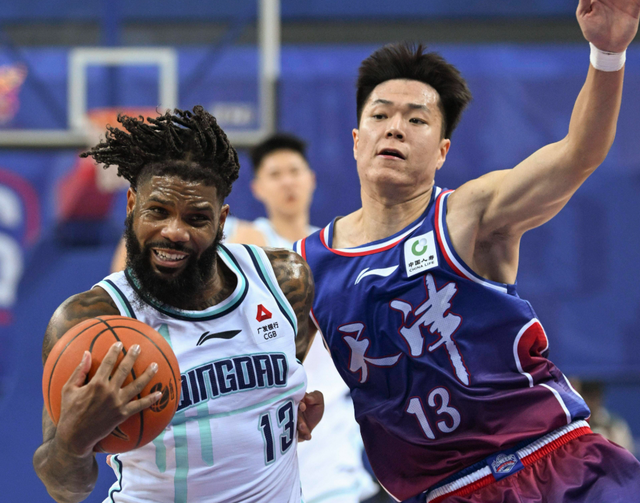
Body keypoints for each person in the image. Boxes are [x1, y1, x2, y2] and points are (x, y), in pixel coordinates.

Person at [294, 2, 640, 502]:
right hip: (446, 493)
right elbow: (270, 373)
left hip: (559, 464)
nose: (394, 128)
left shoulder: (469, 215)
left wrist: (608, 54)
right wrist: (287, 408)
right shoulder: (307, 266)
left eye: (416, 119)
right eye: (380, 115)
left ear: (442, 151)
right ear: (355, 140)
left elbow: (578, 153)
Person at [33, 106, 323, 503]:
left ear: (221, 220)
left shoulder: (284, 281)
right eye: (158, 211)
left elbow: (279, 390)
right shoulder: (90, 320)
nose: (174, 232)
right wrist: (73, 441)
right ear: (132, 204)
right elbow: (64, 488)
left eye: (196, 218)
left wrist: (289, 407)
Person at [227, 133, 379, 503]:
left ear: (311, 179)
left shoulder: (336, 249)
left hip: (331, 425)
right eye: (275, 174)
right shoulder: (245, 242)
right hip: (267, 420)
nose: (287, 182)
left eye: (294, 171)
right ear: (258, 188)